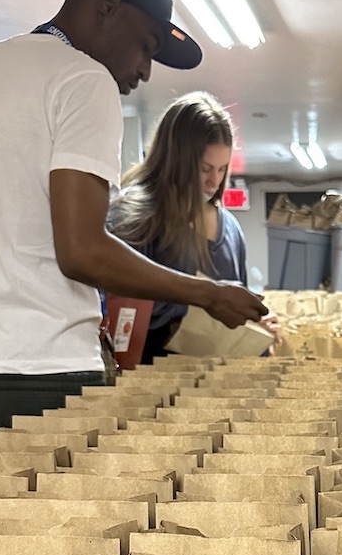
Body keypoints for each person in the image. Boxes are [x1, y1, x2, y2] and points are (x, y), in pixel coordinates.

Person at [0, 0, 267, 448]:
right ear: (108, 3)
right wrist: (210, 294)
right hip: (53, 373)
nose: (146, 70)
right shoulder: (84, 80)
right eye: (147, 45)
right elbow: (82, 251)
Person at [109, 90, 281, 363]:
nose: (214, 181)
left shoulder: (231, 229)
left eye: (222, 169)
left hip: (214, 390)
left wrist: (256, 326)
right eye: (204, 169)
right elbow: (120, 308)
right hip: (147, 390)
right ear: (175, 160)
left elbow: (235, 310)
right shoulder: (133, 216)